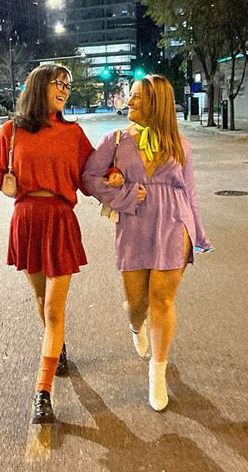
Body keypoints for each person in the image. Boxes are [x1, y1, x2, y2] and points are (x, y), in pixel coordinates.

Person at [0, 64, 93, 424]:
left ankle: (42, 392)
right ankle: (57, 345)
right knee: (40, 299)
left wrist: (113, 176)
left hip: (59, 219)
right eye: (58, 83)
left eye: (68, 84)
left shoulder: (73, 133)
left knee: (53, 309)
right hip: (26, 220)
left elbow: (90, 174)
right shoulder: (12, 131)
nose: (64, 89)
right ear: (38, 86)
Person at [82, 74, 211, 412]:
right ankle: (136, 325)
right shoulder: (116, 140)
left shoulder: (181, 145)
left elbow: (189, 192)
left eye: (137, 96)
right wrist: (123, 195)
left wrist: (198, 234)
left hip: (174, 223)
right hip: (135, 223)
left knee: (163, 300)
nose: (130, 101)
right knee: (137, 303)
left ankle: (158, 372)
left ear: (157, 103)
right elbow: (89, 177)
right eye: (131, 95)